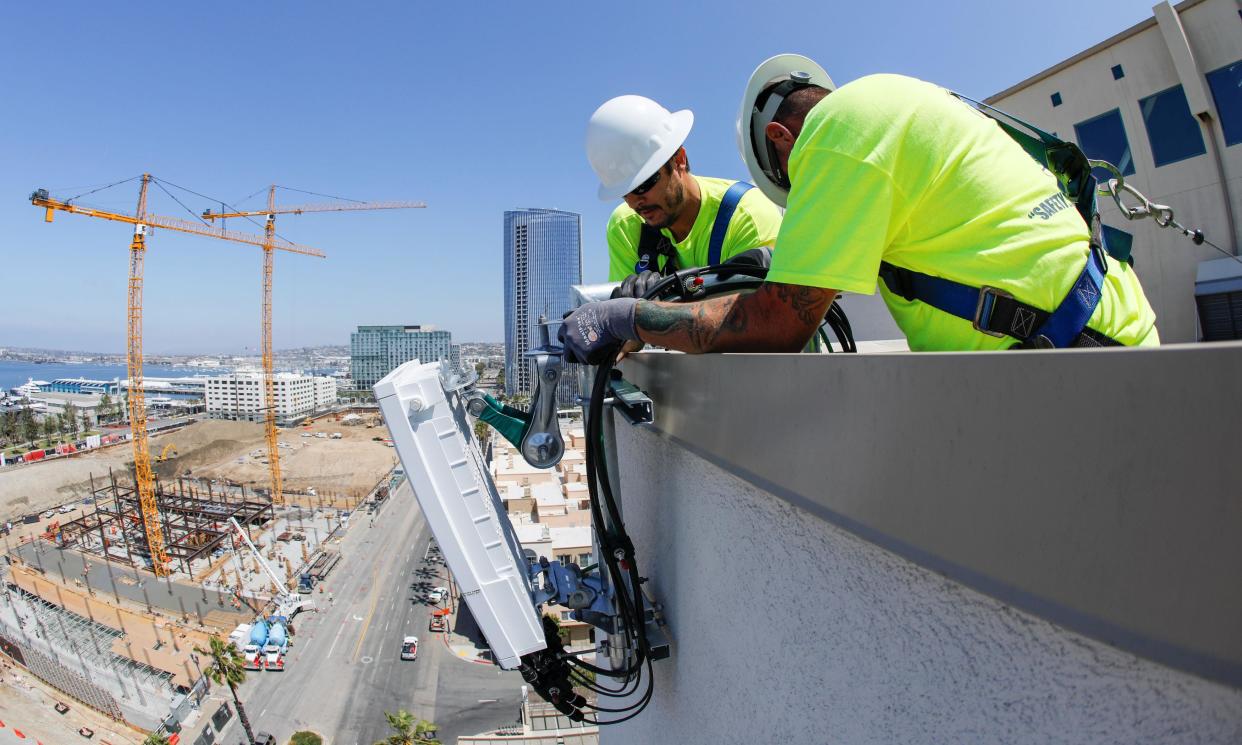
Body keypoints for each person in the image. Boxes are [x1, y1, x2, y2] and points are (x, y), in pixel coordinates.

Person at [560, 54, 1158, 363]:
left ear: (782, 145)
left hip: (1082, 359)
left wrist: (628, 319)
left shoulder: (836, 140)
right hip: (1097, 335)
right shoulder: (889, 104)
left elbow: (781, 324)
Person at [586, 95, 783, 299]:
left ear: (679, 160)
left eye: (644, 184)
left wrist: (657, 307)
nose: (636, 202)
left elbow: (756, 320)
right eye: (624, 192)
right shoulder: (626, 226)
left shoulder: (747, 216)